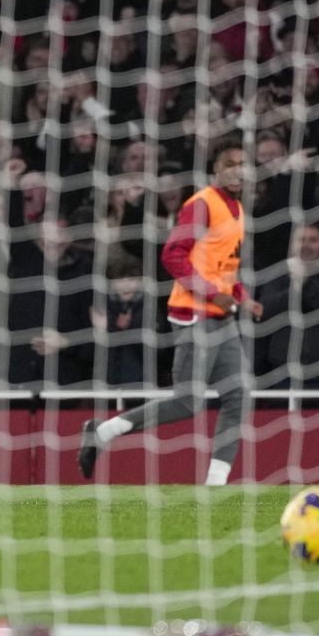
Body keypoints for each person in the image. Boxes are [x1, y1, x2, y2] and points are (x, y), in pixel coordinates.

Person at [80, 141, 261, 486]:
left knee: (238, 395)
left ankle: (216, 485)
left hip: (222, 315)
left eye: (243, 163)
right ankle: (101, 432)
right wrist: (213, 294)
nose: (238, 169)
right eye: (230, 163)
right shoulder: (202, 204)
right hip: (196, 314)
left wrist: (242, 297)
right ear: (216, 171)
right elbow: (173, 256)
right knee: (187, 402)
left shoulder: (237, 210)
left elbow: (223, 267)